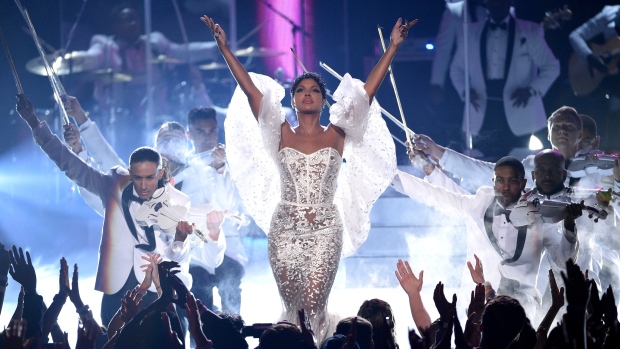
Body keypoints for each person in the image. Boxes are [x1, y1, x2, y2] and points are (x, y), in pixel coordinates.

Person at [201, 14, 414, 342]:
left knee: (314, 306)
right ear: (293, 99)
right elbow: (251, 92)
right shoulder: (280, 133)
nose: (308, 93)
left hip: (326, 229)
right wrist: (226, 50)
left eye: (315, 90)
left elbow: (366, 94)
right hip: (284, 229)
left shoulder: (338, 134)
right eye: (301, 89)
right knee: (293, 308)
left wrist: (393, 49)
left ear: (324, 99)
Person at [15, 93, 225, 327]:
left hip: (161, 292)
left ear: (161, 174)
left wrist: (191, 238)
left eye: (150, 178)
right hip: (117, 292)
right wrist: (34, 122)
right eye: (138, 178)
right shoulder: (114, 185)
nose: (144, 185)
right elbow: (68, 162)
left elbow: (187, 253)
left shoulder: (180, 199)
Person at [393, 155, 582, 319]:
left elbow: (564, 261)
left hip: (521, 310)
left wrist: (569, 225)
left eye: (513, 181)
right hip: (476, 307)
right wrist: (386, 176)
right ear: (493, 182)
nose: (506, 187)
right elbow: (438, 196)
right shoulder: (478, 205)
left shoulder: (540, 215)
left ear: (523, 183)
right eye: (500, 180)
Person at [449, 0, 559, 160]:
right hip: (482, 108)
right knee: (479, 162)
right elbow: (456, 69)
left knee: (525, 163)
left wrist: (531, 90)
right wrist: (466, 91)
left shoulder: (530, 31)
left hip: (520, 109)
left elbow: (552, 66)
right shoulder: (471, 32)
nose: (497, 4)